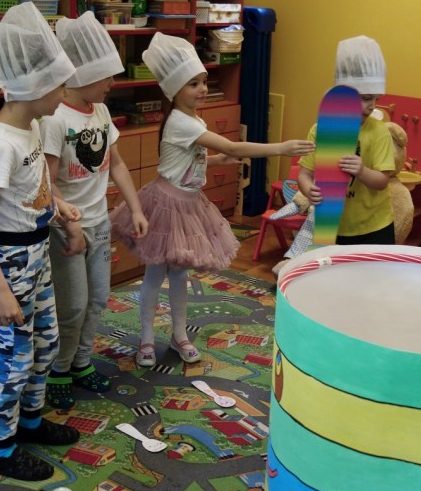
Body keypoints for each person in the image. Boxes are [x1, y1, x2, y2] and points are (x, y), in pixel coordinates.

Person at [110, 33, 313, 367]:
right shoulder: (179, 121)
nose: (203, 88)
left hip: (189, 204)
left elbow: (191, 158)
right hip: (167, 207)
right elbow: (231, 145)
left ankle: (179, 334)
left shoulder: (193, 120)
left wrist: (214, 161)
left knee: (179, 275)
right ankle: (146, 338)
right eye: (193, 84)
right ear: (174, 90)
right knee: (155, 275)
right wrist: (280, 148)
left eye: (204, 81)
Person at [0, 2, 82, 481]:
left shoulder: (32, 126)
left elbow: (32, 187)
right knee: (14, 357)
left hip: (36, 250)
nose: (64, 94)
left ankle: (30, 422)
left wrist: (58, 206)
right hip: (9, 260)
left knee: (46, 343)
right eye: (59, 86)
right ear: (33, 87)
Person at [40, 12, 148, 409]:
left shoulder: (100, 112)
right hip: (67, 228)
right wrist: (67, 218)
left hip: (99, 223)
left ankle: (81, 362)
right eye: (107, 76)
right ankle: (59, 368)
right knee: (72, 305)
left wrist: (135, 208)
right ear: (80, 76)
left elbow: (116, 163)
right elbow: (47, 181)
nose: (112, 83)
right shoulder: (55, 119)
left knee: (98, 298)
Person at [297, 36, 397, 245]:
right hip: (334, 226)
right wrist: (308, 190)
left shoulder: (379, 132)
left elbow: (382, 181)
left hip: (375, 227)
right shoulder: (320, 130)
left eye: (376, 99)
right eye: (366, 98)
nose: (372, 106)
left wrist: (362, 171)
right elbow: (305, 174)